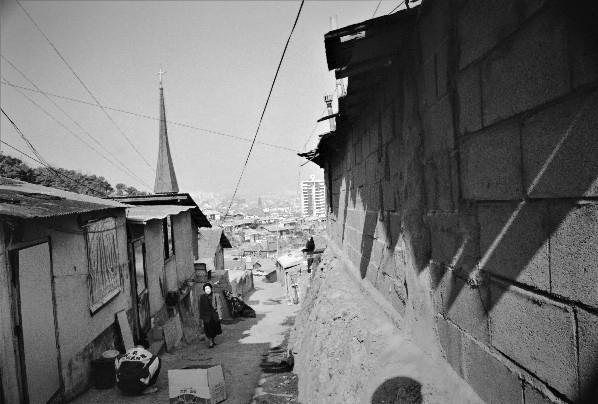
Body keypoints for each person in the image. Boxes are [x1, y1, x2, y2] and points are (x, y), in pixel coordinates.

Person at [199, 282, 222, 348]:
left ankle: (213, 340)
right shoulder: (202, 297)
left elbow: (219, 306)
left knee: (214, 329)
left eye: (208, 288)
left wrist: (220, 315)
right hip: (207, 316)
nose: (207, 290)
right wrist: (201, 317)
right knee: (208, 329)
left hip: (214, 316)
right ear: (204, 290)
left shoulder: (216, 295)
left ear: (211, 289)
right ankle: (210, 342)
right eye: (206, 289)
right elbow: (201, 308)